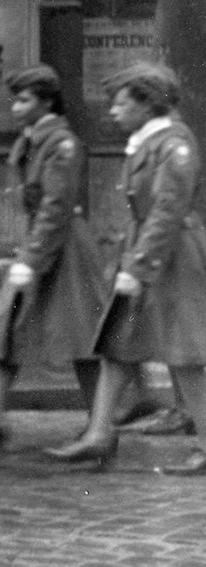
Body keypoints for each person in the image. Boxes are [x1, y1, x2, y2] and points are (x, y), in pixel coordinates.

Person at [47, 64, 206, 472]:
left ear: (148, 105)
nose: (113, 112)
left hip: (173, 257)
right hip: (147, 253)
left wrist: (138, 266)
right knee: (119, 343)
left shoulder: (175, 146)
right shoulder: (148, 143)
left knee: (185, 353)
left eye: (121, 103)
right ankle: (100, 434)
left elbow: (166, 213)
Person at [0, 66, 107, 448]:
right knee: (3, 326)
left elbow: (56, 208)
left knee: (82, 337)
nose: (16, 107)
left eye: (24, 99)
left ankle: (100, 425)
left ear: (47, 102)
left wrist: (30, 259)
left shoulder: (62, 145)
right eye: (15, 99)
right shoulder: (33, 141)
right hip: (40, 243)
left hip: (64, 248)